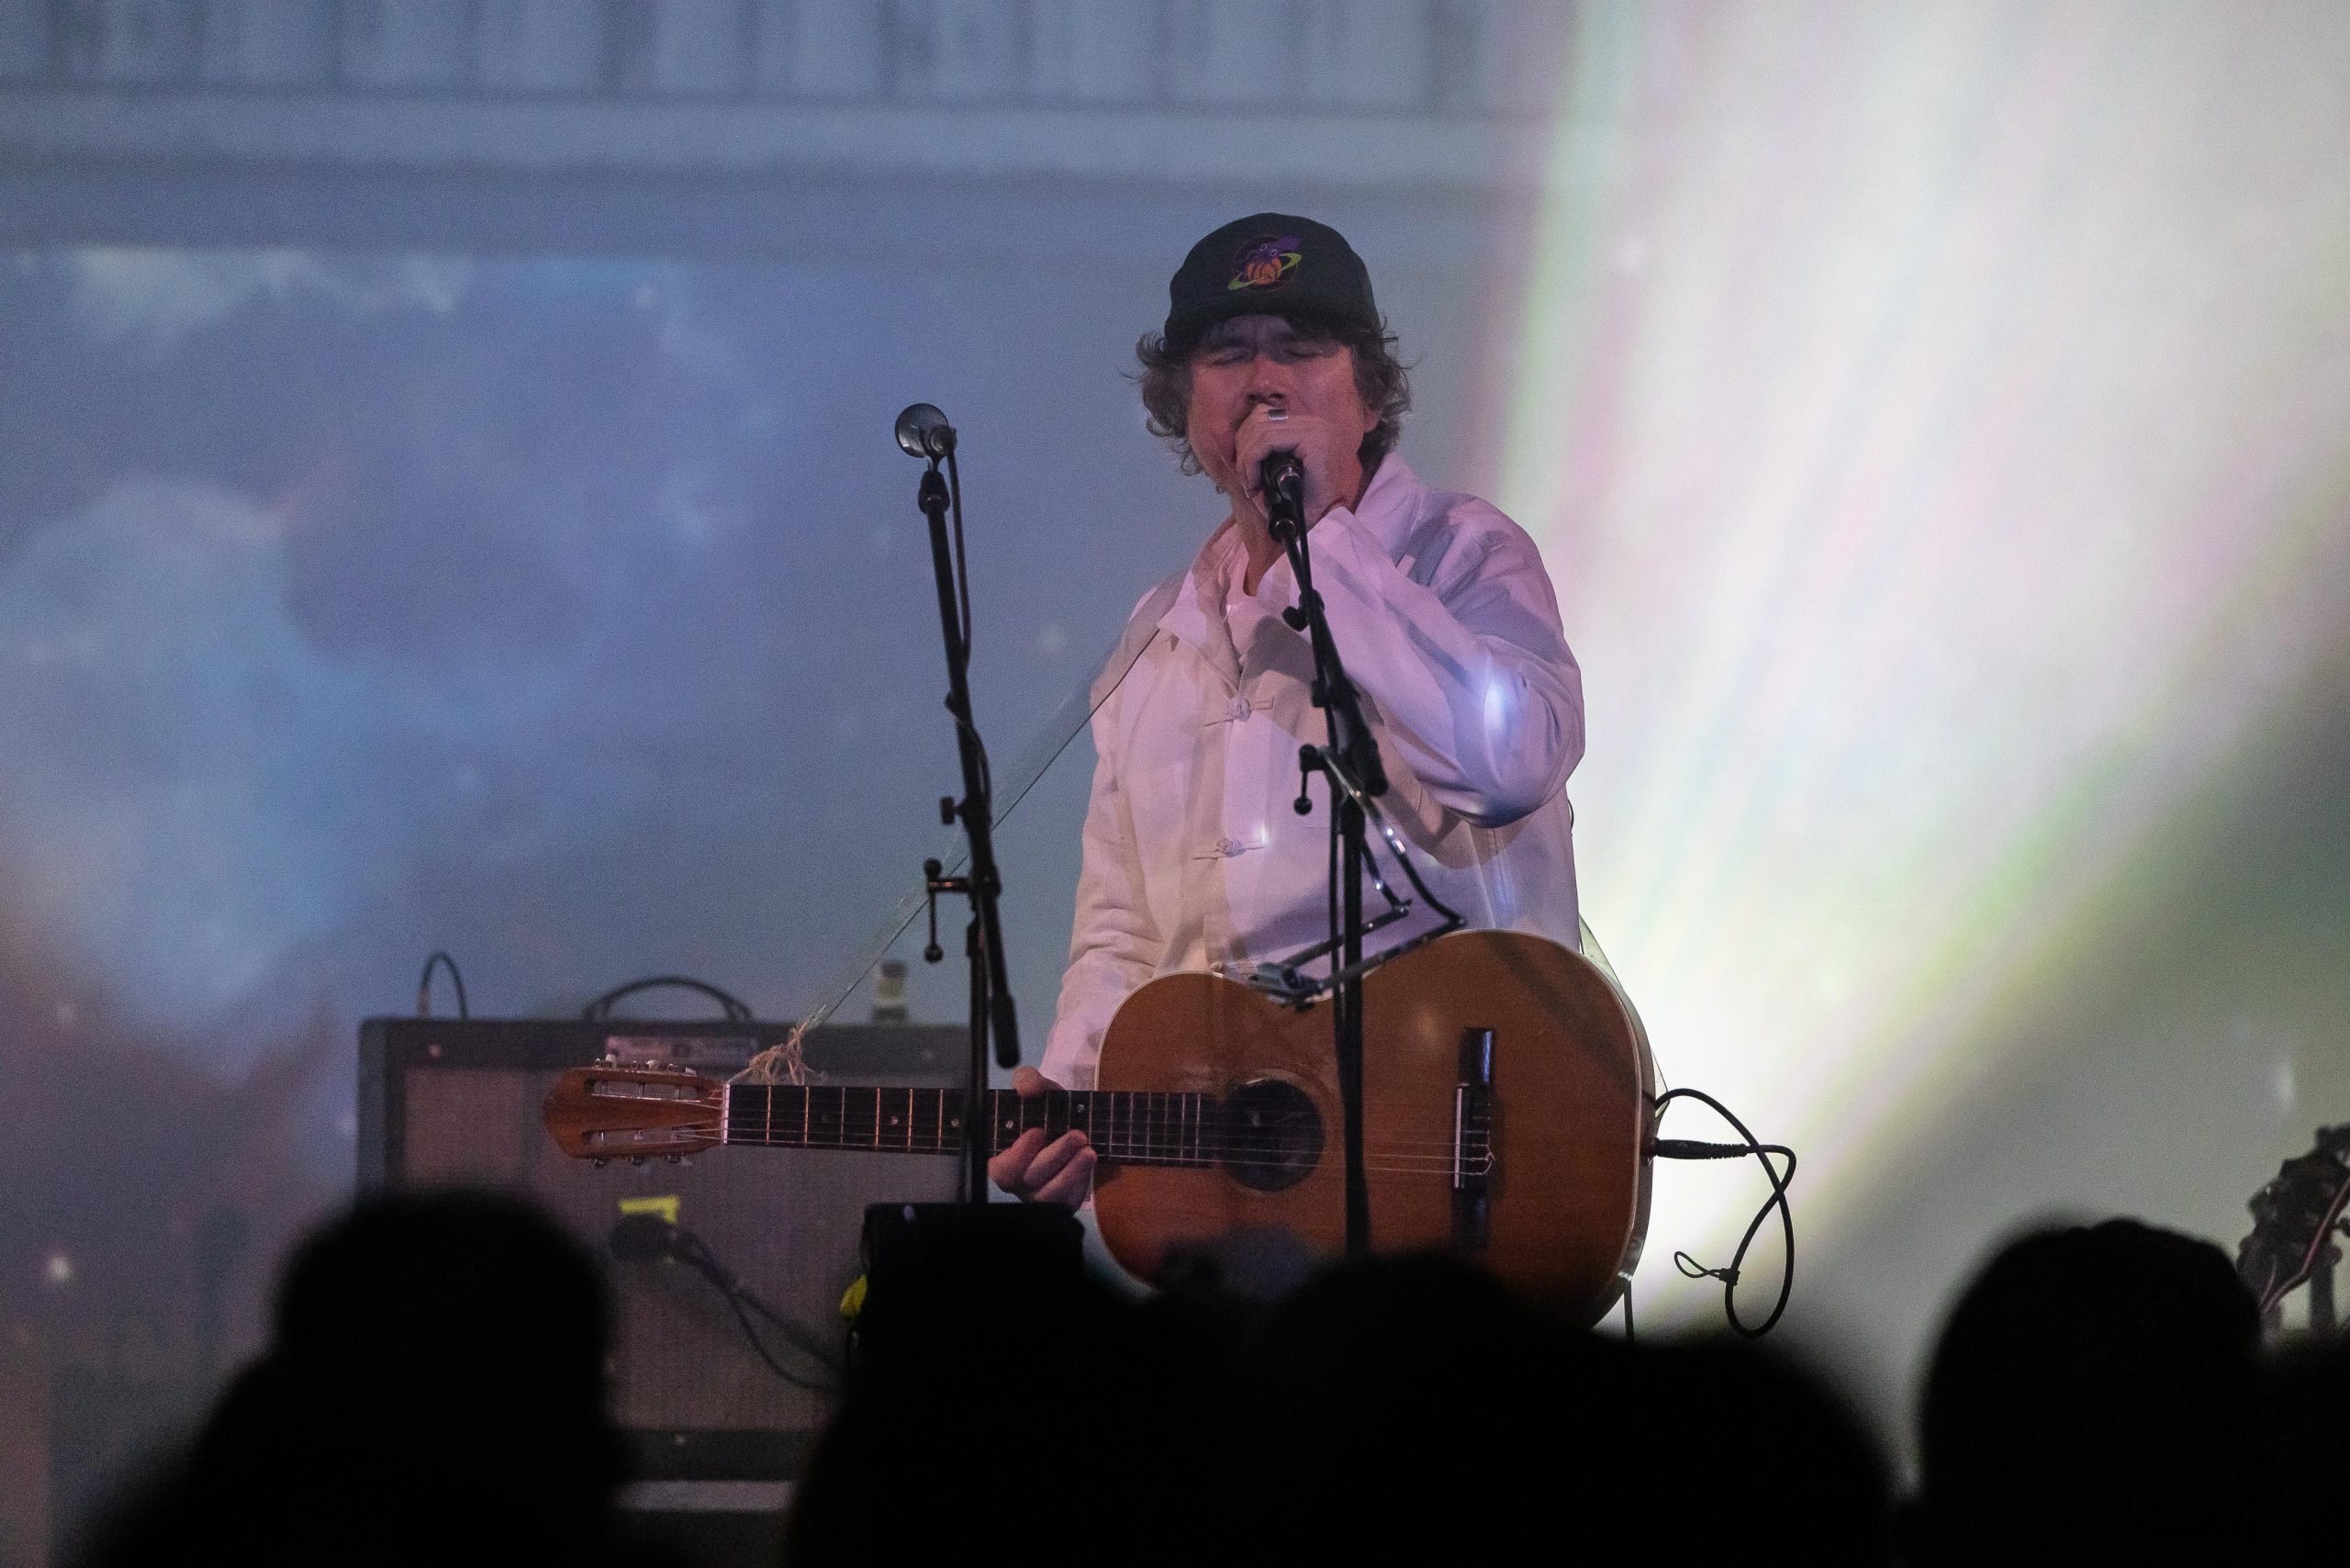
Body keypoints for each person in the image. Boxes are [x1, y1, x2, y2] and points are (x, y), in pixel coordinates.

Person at [992, 213, 1586, 1204]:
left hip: (1469, 1159)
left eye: (1302, 349)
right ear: (1184, 405)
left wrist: (1321, 541)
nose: (1265, 380)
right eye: (1228, 354)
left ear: (1370, 394)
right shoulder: (1158, 633)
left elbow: (1513, 763)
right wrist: (1077, 1100)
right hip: (1246, 1191)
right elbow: (1123, 931)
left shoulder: (1464, 554)